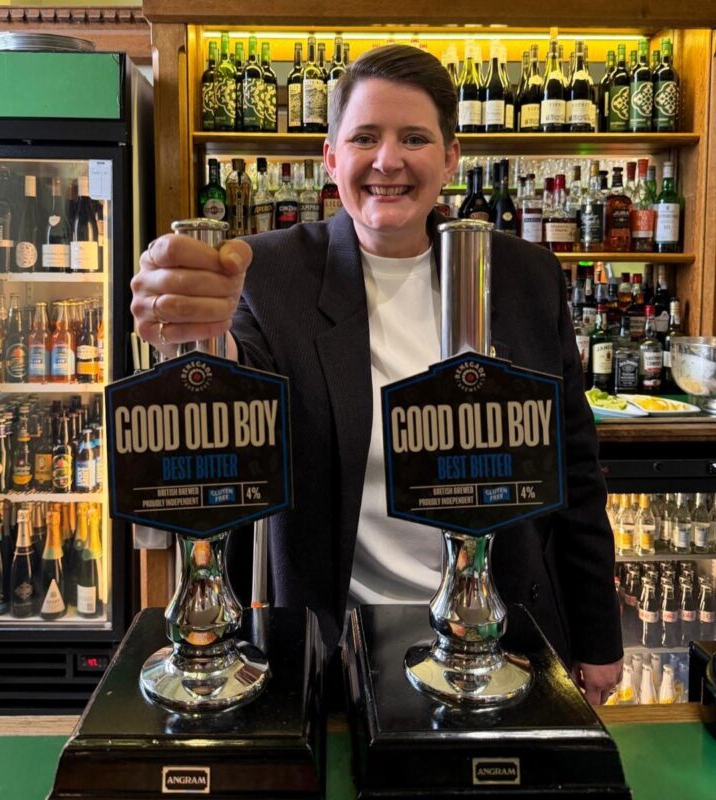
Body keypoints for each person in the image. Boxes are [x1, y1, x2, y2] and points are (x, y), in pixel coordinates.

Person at [131, 45, 623, 705]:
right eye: (365, 137)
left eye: (414, 138)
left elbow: (577, 474)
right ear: (331, 157)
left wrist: (599, 640)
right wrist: (192, 326)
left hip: (509, 641)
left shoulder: (524, 276)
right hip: (337, 643)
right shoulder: (273, 273)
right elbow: (240, 388)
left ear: (450, 156)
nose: (388, 160)